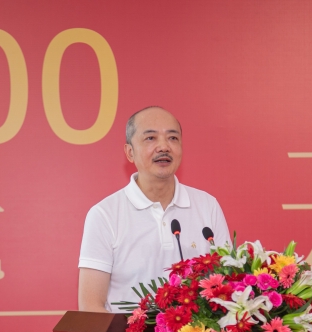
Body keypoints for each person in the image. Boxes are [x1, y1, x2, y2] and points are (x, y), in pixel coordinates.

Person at [78, 106, 230, 313]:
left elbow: (227, 284)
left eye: (173, 138)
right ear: (130, 152)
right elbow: (90, 306)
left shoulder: (207, 206)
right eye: (150, 138)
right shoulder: (105, 215)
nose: (164, 147)